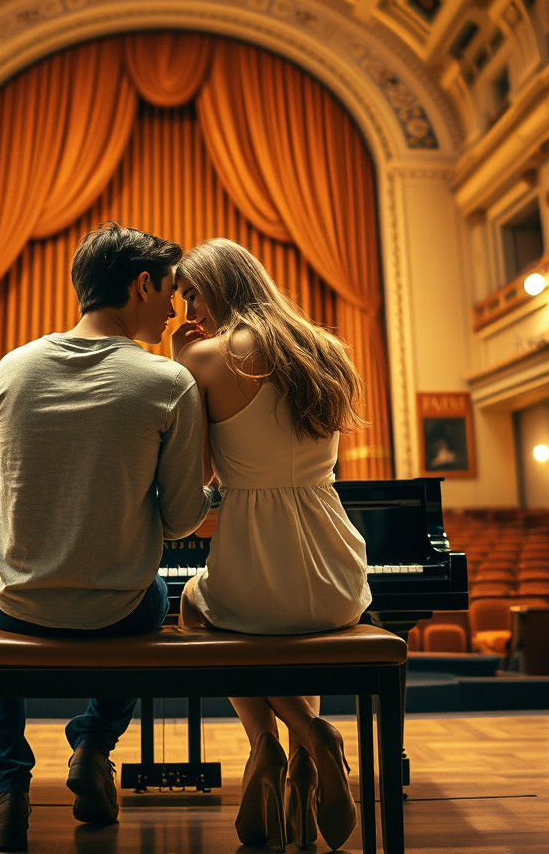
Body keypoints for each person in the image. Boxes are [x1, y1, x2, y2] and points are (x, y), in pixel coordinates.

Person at [0, 222, 211, 852]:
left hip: (19, 606)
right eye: (170, 292)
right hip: (118, 613)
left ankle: (7, 788)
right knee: (155, 598)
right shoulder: (168, 382)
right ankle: (93, 743)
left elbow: (2, 488)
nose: (174, 309)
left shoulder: (11, 368)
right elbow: (182, 521)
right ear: (141, 284)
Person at [169, 238, 372, 852]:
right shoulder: (324, 348)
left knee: (195, 606)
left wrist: (180, 364)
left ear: (220, 286)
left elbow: (201, 475)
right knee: (293, 634)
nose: (190, 312)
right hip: (337, 572)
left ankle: (280, 740)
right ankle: (306, 753)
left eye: (193, 295)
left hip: (253, 566)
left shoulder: (206, 358)